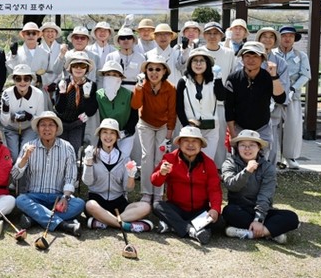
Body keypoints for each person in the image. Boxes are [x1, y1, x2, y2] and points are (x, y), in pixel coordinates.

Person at [13, 111, 85, 237]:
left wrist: (65, 197)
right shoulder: (28, 146)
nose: (47, 128)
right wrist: (25, 158)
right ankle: (64, 225)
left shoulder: (67, 147)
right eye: (43, 125)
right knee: (20, 200)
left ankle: (34, 219)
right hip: (34, 197)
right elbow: (15, 175)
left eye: (51, 125)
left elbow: (70, 176)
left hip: (58, 198)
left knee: (79, 204)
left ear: (57, 128)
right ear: (38, 128)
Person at [222, 129, 300, 244]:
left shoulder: (267, 167)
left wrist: (258, 219)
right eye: (243, 145)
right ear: (237, 147)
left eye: (252, 145)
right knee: (228, 212)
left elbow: (266, 194)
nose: (247, 149)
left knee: (292, 217)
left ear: (259, 148)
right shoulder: (229, 163)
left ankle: (251, 233)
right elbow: (231, 186)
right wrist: (247, 171)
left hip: (263, 211)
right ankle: (270, 232)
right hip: (240, 209)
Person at [151, 126, 222, 245]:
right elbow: (155, 181)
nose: (190, 144)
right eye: (186, 141)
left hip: (200, 210)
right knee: (157, 206)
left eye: (195, 141)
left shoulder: (209, 163)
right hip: (176, 208)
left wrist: (215, 208)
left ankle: (173, 226)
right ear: (179, 143)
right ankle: (192, 230)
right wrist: (161, 173)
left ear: (201, 145)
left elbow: (214, 189)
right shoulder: (169, 158)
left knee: (220, 221)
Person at [83, 119, 152, 232]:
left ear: (117, 137)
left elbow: (128, 189)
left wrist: (131, 175)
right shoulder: (91, 154)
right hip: (97, 201)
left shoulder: (124, 158)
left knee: (146, 207)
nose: (108, 136)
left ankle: (105, 222)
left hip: (119, 203)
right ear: (99, 135)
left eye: (112, 133)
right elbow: (87, 182)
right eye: (105, 132)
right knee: (90, 205)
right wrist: (88, 163)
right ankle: (126, 226)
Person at [225, 41, 286, 152]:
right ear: (242, 58)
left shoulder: (268, 77)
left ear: (262, 59)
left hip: (263, 128)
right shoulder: (233, 78)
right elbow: (228, 108)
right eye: (247, 56)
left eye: (255, 56)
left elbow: (280, 99)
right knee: (239, 160)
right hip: (239, 128)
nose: (251, 60)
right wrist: (233, 134)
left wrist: (274, 76)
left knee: (263, 160)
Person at [131, 55, 176, 204]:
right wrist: (138, 89)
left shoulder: (170, 88)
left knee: (160, 157)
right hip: (145, 124)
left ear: (164, 71)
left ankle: (158, 193)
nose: (154, 72)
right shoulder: (142, 85)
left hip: (163, 125)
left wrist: (169, 133)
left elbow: (172, 112)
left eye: (158, 69)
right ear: (146, 71)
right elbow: (135, 105)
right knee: (146, 157)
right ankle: (146, 192)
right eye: (150, 69)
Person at [175, 49, 226, 162]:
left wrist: (218, 78)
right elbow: (179, 107)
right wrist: (186, 125)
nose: (198, 64)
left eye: (202, 61)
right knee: (190, 159)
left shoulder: (214, 80)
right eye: (195, 61)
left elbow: (222, 97)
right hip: (190, 127)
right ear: (190, 63)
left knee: (207, 160)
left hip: (211, 127)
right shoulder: (183, 82)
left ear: (207, 64)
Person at [199, 22, 237, 167]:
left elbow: (233, 76)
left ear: (221, 35)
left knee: (220, 137)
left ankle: (219, 168)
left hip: (221, 103)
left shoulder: (229, 53)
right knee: (201, 136)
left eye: (216, 33)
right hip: (201, 103)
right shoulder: (198, 52)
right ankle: (201, 167)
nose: (212, 36)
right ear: (204, 35)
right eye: (209, 33)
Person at [274, 26, 311, 169]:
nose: (287, 39)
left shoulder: (301, 56)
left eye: (291, 36)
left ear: (295, 38)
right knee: (272, 126)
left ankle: (290, 156)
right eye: (284, 36)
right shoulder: (272, 54)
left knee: (293, 127)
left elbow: (305, 75)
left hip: (293, 96)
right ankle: (273, 157)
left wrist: (293, 88)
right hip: (273, 96)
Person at [254, 27, 291, 167]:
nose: (267, 39)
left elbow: (283, 87)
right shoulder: (249, 59)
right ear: (259, 39)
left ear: (275, 41)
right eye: (264, 36)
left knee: (271, 144)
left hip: (272, 109)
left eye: (271, 37)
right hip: (250, 109)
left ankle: (270, 173)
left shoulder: (281, 62)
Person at [53, 51, 98, 158]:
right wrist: (62, 93)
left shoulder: (91, 85)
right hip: (61, 123)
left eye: (82, 66)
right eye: (75, 65)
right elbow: (59, 108)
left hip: (77, 124)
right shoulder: (63, 83)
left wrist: (86, 96)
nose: (78, 68)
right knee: (60, 151)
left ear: (87, 69)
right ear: (70, 68)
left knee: (74, 150)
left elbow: (91, 110)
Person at [0, 64, 46, 161]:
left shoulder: (38, 94)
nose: (22, 82)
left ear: (31, 80)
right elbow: (4, 122)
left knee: (25, 154)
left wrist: (29, 116)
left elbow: (40, 119)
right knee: (14, 157)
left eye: (26, 79)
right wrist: (6, 110)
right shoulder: (7, 93)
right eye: (18, 79)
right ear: (14, 80)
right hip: (11, 128)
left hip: (29, 128)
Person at [95, 61, 138, 159]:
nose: (111, 77)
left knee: (123, 159)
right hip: (105, 136)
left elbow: (134, 116)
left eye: (114, 75)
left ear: (120, 78)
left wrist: (125, 132)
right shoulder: (98, 95)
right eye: (108, 75)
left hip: (125, 135)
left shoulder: (129, 95)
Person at [6, 22, 51, 87]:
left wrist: (42, 78)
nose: (31, 36)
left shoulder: (46, 53)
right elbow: (10, 70)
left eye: (34, 33)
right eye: (28, 33)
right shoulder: (16, 52)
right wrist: (13, 55)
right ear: (23, 35)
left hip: (40, 88)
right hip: (20, 87)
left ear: (38, 35)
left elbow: (52, 72)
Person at [39, 21, 63, 89]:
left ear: (56, 33)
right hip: (41, 83)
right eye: (47, 31)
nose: (50, 34)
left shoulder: (62, 49)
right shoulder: (37, 49)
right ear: (42, 33)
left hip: (59, 84)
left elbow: (64, 69)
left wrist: (55, 82)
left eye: (52, 31)